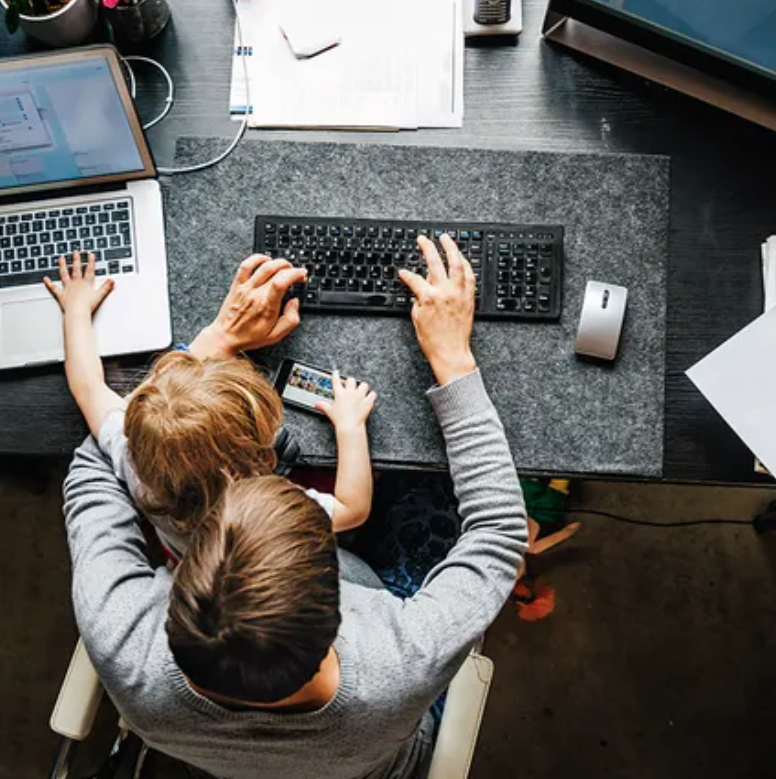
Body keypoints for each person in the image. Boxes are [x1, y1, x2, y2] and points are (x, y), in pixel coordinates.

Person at [60, 236, 528, 779]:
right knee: (428, 501)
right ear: (340, 610)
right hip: (384, 758)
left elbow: (95, 461)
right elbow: (497, 535)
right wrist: (452, 358)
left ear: (177, 586)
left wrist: (214, 345)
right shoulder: (400, 658)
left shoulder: (119, 639)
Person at [44, 251, 378, 559]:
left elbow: (87, 386)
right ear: (260, 454)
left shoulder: (132, 454)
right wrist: (350, 426)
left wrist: (75, 311)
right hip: (258, 554)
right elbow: (353, 509)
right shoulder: (266, 510)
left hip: (187, 555)